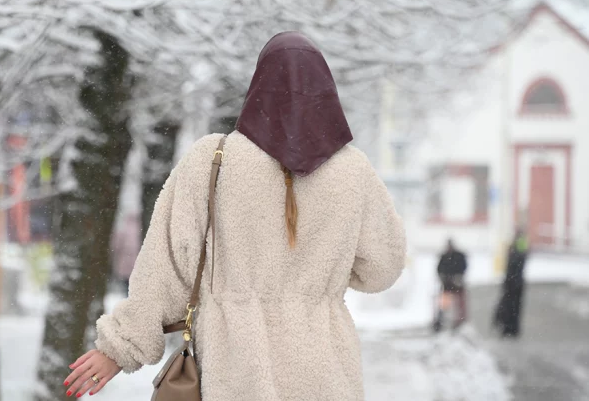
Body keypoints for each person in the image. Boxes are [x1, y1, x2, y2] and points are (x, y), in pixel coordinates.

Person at [63, 32, 407, 400]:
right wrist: (321, 272)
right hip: (325, 374)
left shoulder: (214, 159)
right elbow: (382, 267)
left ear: (259, 88)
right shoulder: (353, 172)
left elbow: (166, 269)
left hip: (235, 370)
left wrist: (120, 348)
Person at [493, 229, 529, 338]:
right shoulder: (521, 245)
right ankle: (511, 329)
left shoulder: (517, 246)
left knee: (510, 306)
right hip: (515, 282)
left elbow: (516, 262)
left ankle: (509, 329)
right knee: (514, 307)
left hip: (513, 282)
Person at [432, 239, 468, 332]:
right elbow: (439, 269)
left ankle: (460, 321)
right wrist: (444, 278)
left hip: (457, 285)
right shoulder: (445, 257)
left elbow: (463, 267)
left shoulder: (458, 256)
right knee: (444, 305)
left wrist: (458, 277)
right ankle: (440, 322)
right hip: (447, 286)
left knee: (460, 305)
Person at [110, 213, 142, 294]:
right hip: (136, 262)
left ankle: (127, 297)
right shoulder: (140, 229)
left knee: (125, 283)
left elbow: (116, 245)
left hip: (124, 261)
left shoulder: (123, 231)